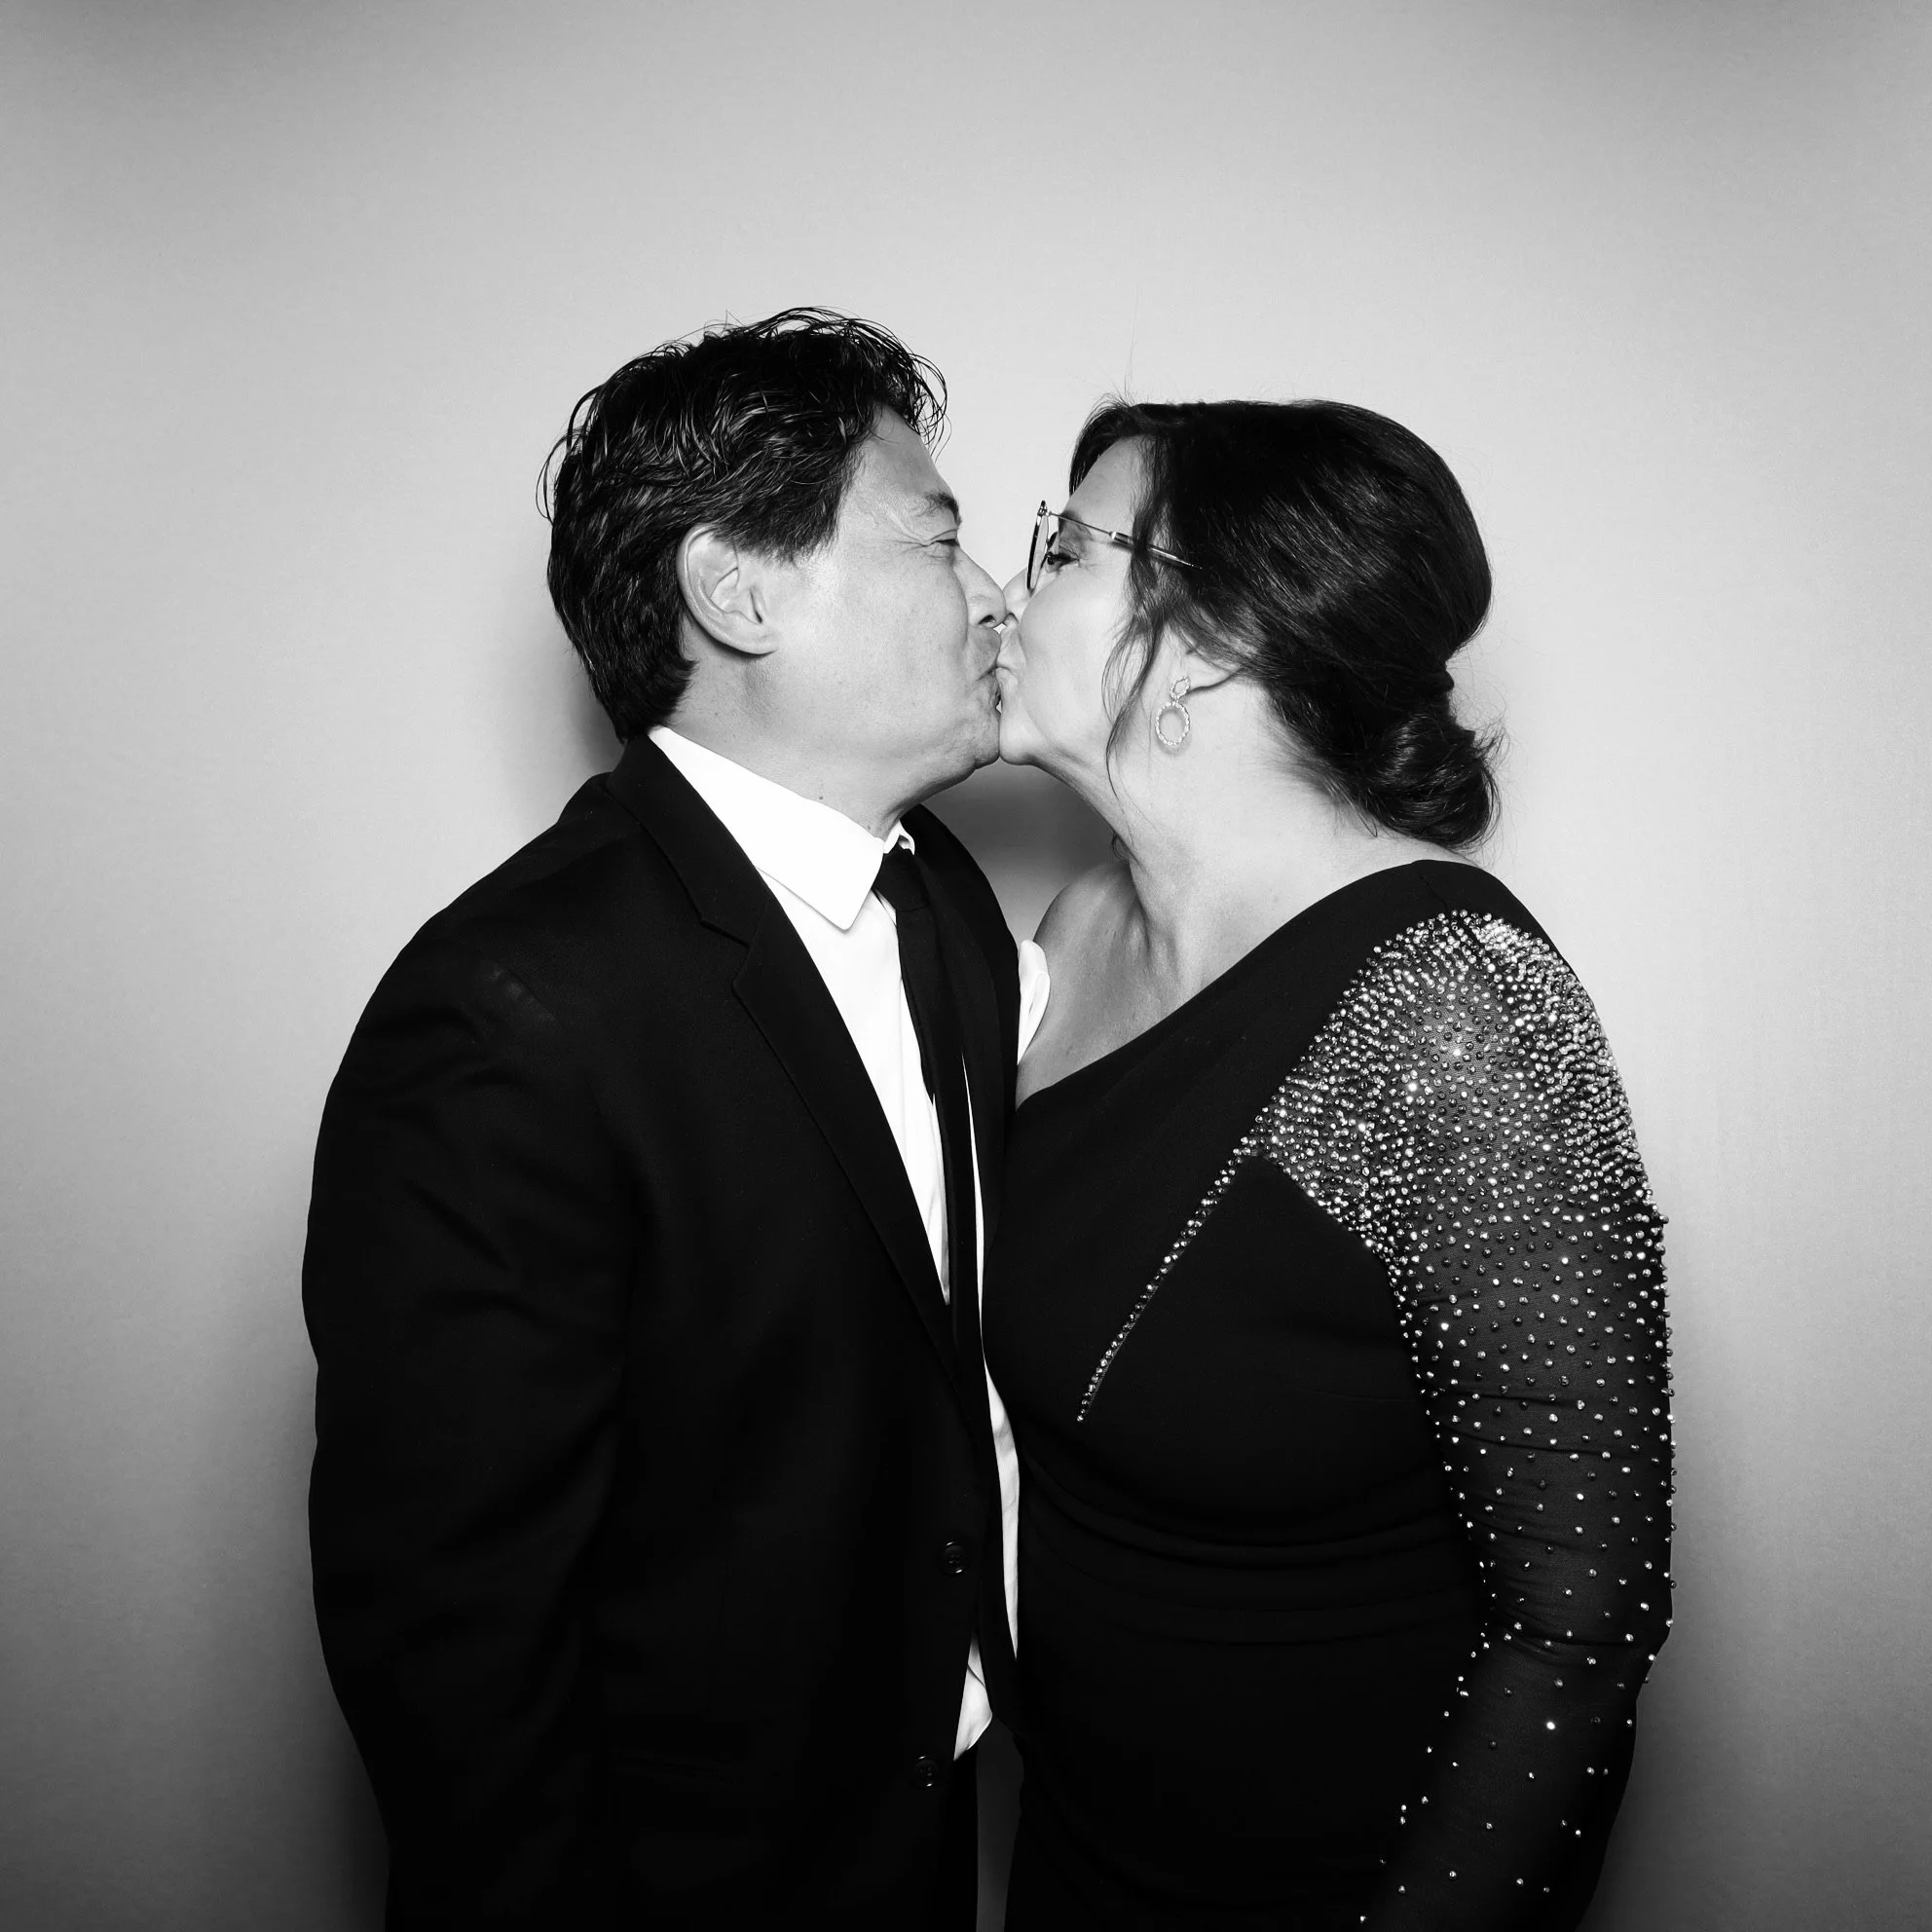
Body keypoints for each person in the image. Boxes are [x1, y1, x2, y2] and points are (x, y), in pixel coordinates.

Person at [303, 309, 1025, 1929]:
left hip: (915, 1833)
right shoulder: (503, 1012)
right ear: (740, 588)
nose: (993, 598)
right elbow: (455, 1647)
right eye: (939, 538)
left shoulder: (946, 905)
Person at [983, 397, 1673, 1929]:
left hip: (1334, 1880)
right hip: (1082, 1847)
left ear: (1217, 635)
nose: (1014, 584)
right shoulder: (1075, 932)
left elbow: (1582, 1616)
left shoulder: (1449, 1009)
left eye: (1069, 545)